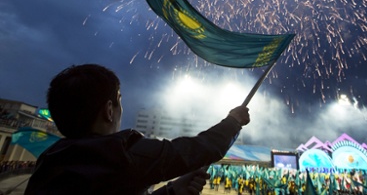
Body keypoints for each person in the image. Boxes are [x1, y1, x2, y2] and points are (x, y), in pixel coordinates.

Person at [25, 64, 250, 194]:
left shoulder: (49, 160)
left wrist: (171, 191)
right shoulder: (120, 154)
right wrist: (233, 121)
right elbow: (197, 149)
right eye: (119, 100)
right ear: (109, 111)